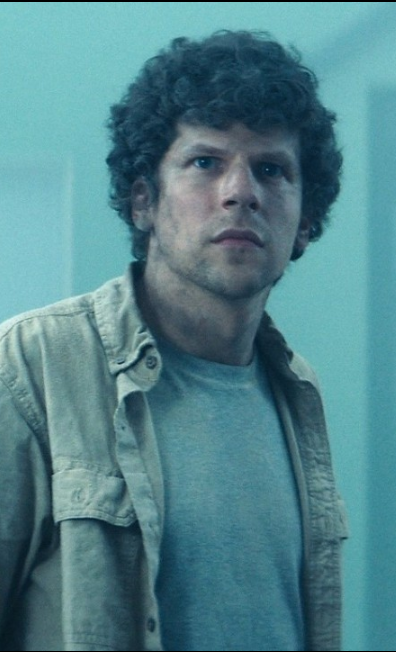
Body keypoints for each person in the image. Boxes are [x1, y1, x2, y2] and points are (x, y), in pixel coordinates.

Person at [0, 30, 348, 650]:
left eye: (271, 169)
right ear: (144, 201)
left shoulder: (297, 392)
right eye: (205, 162)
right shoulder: (33, 368)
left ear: (305, 223)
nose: (241, 191)